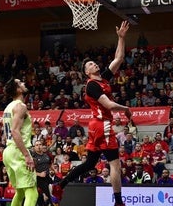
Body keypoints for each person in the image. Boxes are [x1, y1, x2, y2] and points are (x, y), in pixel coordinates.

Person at [54, 21, 131, 206]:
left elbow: (118, 59)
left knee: (89, 163)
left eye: (93, 62)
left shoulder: (103, 78)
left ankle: (60, 185)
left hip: (96, 125)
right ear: (86, 72)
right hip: (102, 124)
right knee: (114, 163)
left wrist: (121, 37)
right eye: (90, 64)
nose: (94, 64)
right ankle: (119, 202)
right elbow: (110, 105)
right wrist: (126, 109)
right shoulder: (92, 85)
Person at [2, 78, 38, 206]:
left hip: (8, 151)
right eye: (20, 83)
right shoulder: (20, 106)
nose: (24, 83)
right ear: (18, 89)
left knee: (20, 192)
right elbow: (15, 131)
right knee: (32, 192)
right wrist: (27, 155)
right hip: (18, 151)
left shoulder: (8, 107)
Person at [31, 140, 54, 206]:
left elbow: (49, 164)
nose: (39, 146)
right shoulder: (33, 157)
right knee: (42, 199)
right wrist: (39, 174)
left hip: (47, 178)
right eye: (37, 145)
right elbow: (29, 171)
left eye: (40, 144)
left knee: (53, 196)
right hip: (37, 180)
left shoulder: (46, 155)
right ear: (34, 147)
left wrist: (52, 170)